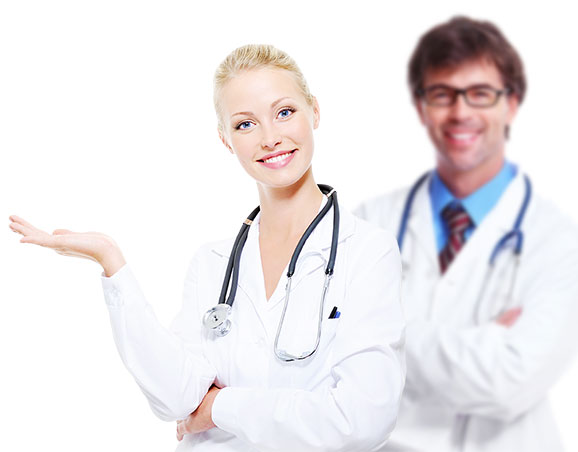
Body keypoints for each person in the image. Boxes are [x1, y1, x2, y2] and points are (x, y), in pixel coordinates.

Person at [9, 44, 405, 451]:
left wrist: (220, 406)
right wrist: (111, 261)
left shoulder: (367, 252)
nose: (270, 138)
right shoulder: (212, 264)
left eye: (284, 112)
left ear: (315, 112)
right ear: (225, 140)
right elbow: (176, 397)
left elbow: (361, 419)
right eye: (245, 124)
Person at [355, 16, 578, 452]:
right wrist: (483, 342)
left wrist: (377, 332)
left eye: (480, 94)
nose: (461, 112)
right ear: (421, 107)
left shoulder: (558, 243)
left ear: (511, 104)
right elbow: (324, 355)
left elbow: (509, 383)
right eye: (442, 94)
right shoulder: (369, 222)